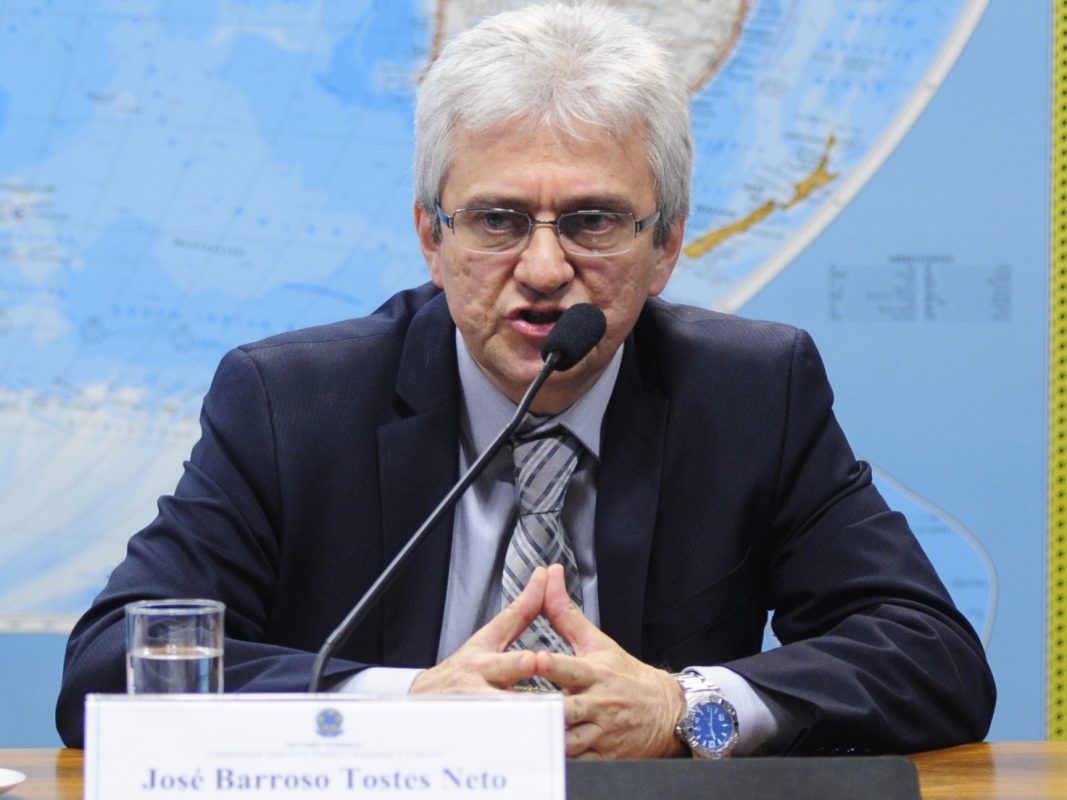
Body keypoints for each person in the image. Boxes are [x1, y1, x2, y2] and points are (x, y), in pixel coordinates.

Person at [56, 1, 995, 757]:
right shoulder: (290, 402)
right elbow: (113, 668)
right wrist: (403, 707)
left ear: (666, 245)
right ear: (431, 237)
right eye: (498, 220)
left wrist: (685, 709)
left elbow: (932, 659)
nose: (544, 270)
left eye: (592, 222)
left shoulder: (749, 394)